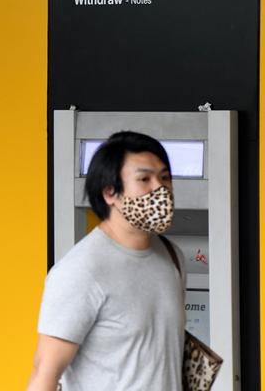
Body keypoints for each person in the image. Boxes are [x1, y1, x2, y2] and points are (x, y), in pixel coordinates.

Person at [26, 131, 186, 391]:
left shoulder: (171, 256)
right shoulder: (82, 270)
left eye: (165, 177)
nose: (160, 189)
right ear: (110, 192)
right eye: (144, 179)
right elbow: (43, 374)